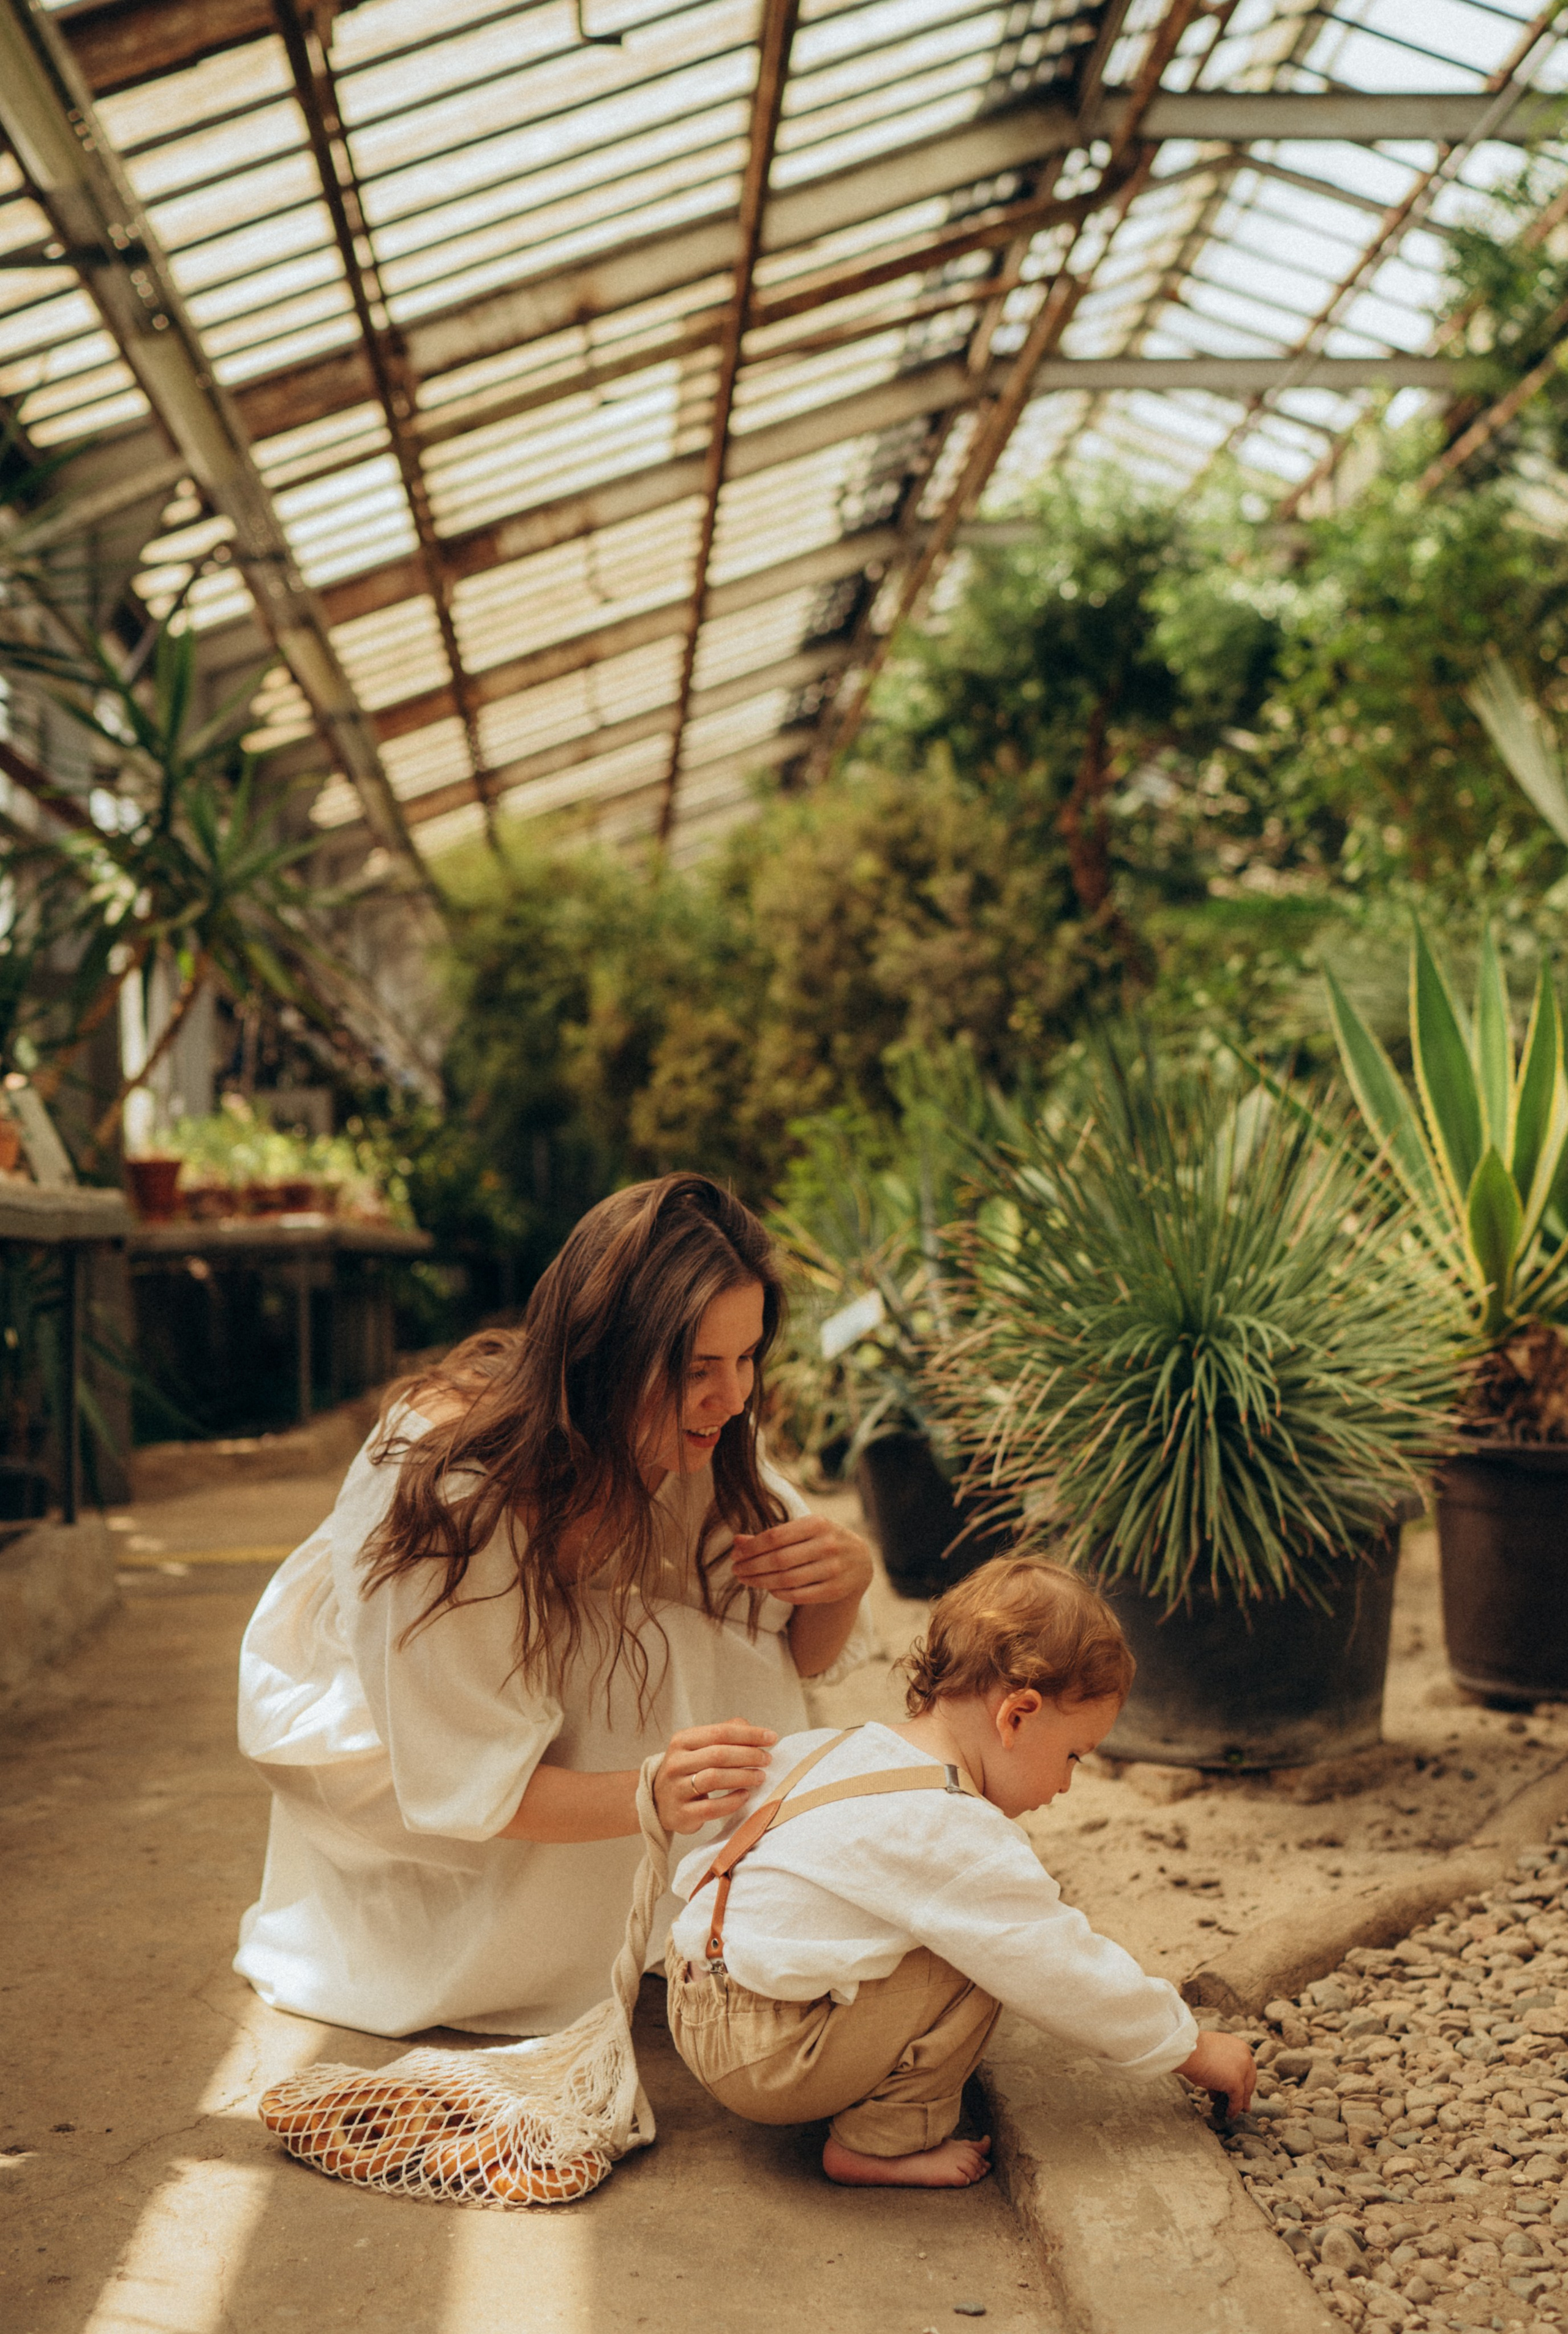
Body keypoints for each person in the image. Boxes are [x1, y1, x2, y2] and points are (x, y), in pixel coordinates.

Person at [235, 1173, 873, 2039]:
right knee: (642, 1661)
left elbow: (784, 1656)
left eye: (748, 1357)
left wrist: (844, 1578)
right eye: (698, 1369)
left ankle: (678, 1922)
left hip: (509, 1710)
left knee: (699, 1640)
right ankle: (521, 1955)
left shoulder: (700, 1437)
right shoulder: (455, 1490)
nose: (735, 1397)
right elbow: (461, 1775)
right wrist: (649, 1792)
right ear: (606, 1357)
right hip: (395, 1734)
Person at [664, 1555, 1255, 2188]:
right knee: (987, 1952)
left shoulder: (841, 1745)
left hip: (691, 1987)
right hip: (768, 2058)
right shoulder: (952, 1827)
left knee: (960, 1924)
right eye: (1072, 1755)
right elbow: (1059, 1966)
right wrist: (1190, 2049)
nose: (1064, 1784)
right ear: (1017, 1714)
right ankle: (883, 2141)